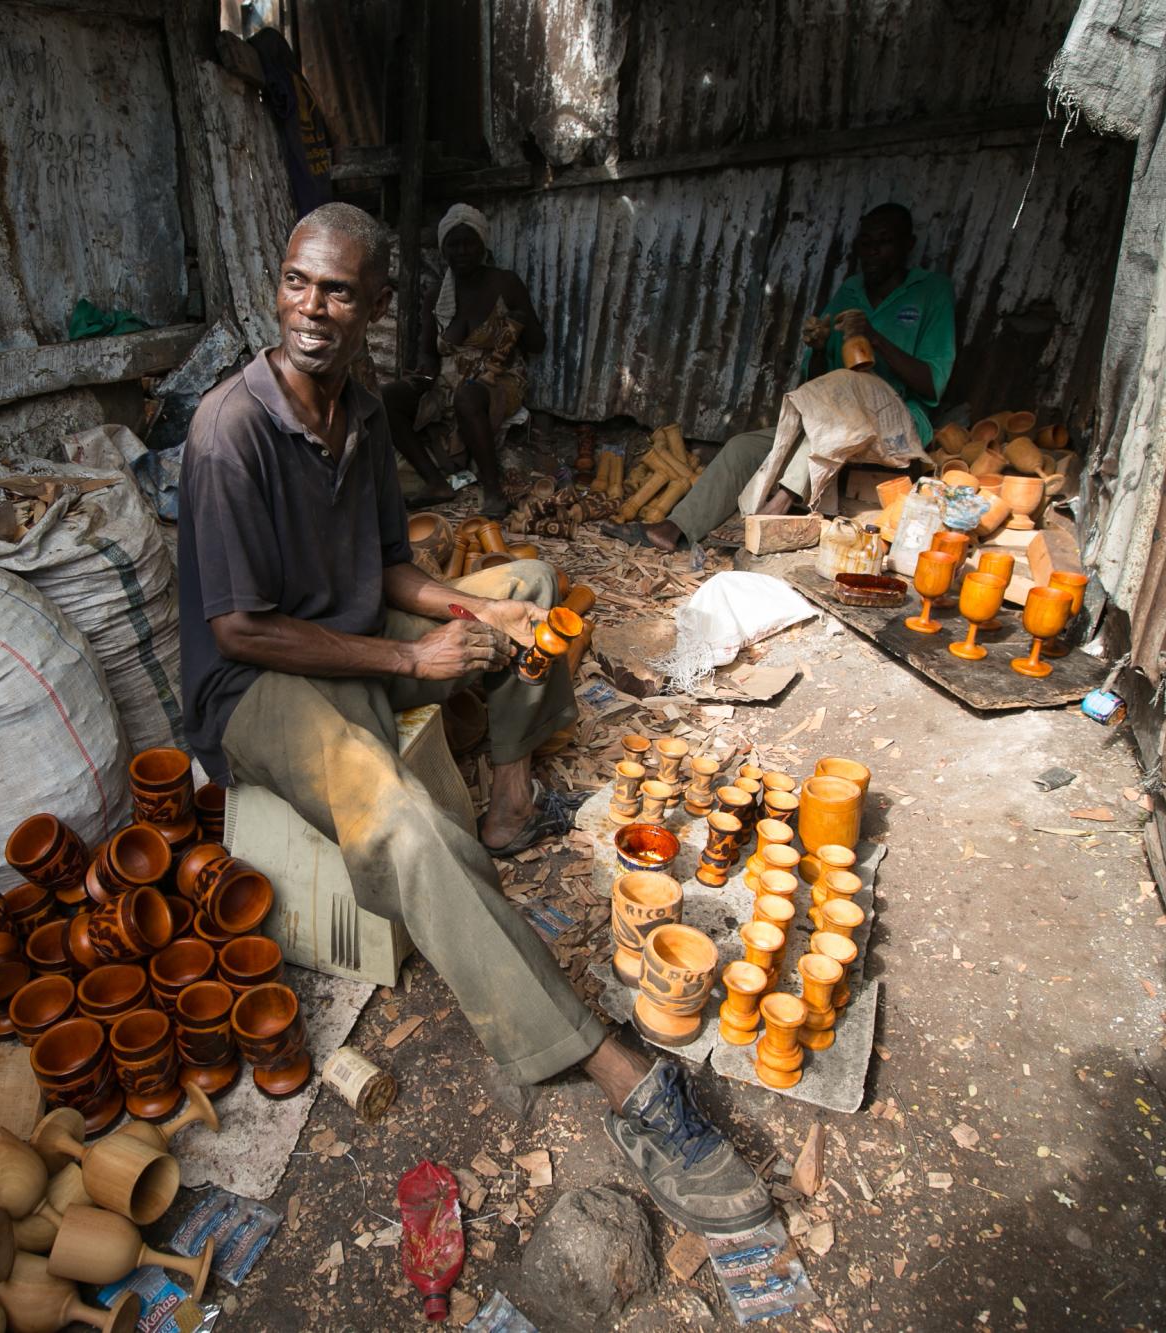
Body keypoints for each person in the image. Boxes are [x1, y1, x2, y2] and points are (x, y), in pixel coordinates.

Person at [178, 202, 773, 1236]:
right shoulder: (228, 431)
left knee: (535, 579)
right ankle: (617, 1071)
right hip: (257, 689)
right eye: (294, 283)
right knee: (401, 825)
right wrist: (415, 656)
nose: (311, 309)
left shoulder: (357, 413)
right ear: (276, 286)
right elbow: (238, 628)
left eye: (337, 291)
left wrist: (478, 608)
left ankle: (507, 802)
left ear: (375, 305)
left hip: (353, 640)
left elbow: (386, 568)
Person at [605, 203, 956, 550]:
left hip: (899, 423)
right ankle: (673, 528)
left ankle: (776, 507)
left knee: (845, 400)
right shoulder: (851, 291)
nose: (874, 252)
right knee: (743, 447)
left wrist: (875, 338)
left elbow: (931, 383)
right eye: (866, 243)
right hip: (835, 420)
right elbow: (816, 385)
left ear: (907, 245)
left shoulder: (932, 291)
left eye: (885, 241)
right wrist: (818, 348)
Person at [381, 203, 546, 517]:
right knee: (388, 398)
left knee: (468, 395)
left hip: (500, 380)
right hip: (449, 381)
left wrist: (517, 326)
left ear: (482, 245)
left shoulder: (505, 284)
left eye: (469, 243)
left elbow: (538, 344)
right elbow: (429, 353)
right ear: (443, 249)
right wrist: (424, 376)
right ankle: (436, 483)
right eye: (453, 245)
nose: (462, 251)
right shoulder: (436, 295)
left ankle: (493, 491)